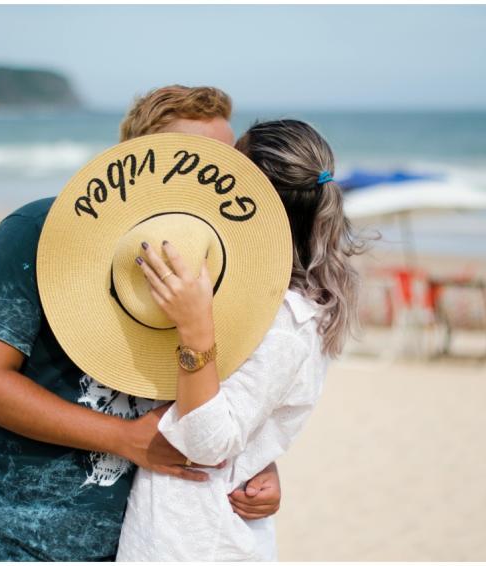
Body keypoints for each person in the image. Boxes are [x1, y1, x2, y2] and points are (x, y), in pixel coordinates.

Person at [0, 86, 282, 562]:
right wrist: (124, 439)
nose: (209, 177)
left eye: (222, 163)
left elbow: (216, 396)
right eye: (188, 159)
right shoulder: (40, 231)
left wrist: (261, 468)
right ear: (134, 160)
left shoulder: (222, 267)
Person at [116, 120, 365, 560]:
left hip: (194, 543)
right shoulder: (257, 301)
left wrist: (194, 329)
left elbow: (207, 443)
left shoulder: (287, 321)